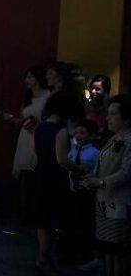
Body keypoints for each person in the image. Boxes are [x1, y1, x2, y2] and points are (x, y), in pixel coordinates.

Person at [32, 92, 85, 275]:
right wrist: (79, 168)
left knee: (42, 220)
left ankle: (42, 256)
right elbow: (62, 159)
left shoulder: (40, 128)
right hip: (55, 177)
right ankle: (46, 258)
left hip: (40, 174)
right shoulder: (60, 131)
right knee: (54, 219)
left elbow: (36, 152)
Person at [84, 94, 131, 276]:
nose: (109, 118)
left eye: (113, 114)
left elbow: (127, 171)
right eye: (108, 113)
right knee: (107, 248)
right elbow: (104, 165)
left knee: (117, 249)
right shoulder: (113, 139)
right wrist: (93, 177)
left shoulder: (128, 140)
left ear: (126, 118)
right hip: (104, 199)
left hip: (119, 200)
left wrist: (102, 181)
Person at [3, 66, 50, 221]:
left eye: (30, 77)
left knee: (37, 173)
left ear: (38, 78)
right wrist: (9, 118)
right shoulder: (27, 97)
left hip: (39, 135)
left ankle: (36, 212)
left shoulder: (48, 97)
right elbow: (21, 119)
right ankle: (25, 214)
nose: (27, 80)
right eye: (26, 77)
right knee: (24, 175)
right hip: (25, 135)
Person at [64, 120, 100, 265]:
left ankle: (84, 254)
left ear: (91, 135)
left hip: (86, 192)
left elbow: (97, 170)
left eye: (83, 133)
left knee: (85, 225)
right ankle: (69, 253)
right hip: (71, 191)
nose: (78, 135)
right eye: (77, 132)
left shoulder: (95, 152)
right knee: (70, 223)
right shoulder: (72, 150)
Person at [86, 74, 112, 147]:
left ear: (106, 91)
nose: (93, 91)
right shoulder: (87, 106)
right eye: (92, 88)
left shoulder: (111, 107)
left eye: (98, 89)